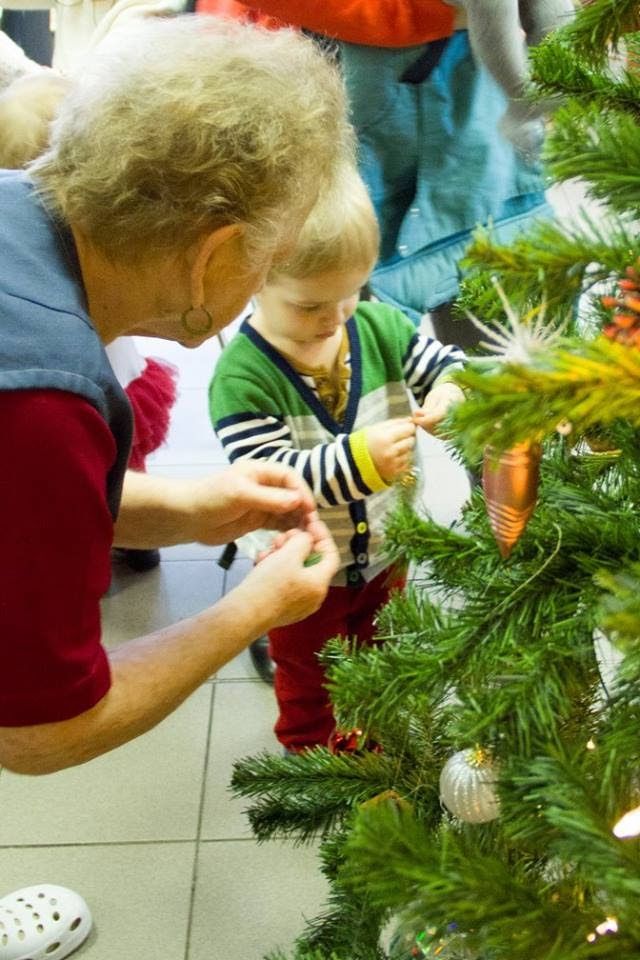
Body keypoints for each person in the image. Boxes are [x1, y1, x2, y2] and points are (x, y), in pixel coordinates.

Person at [209, 164, 465, 752]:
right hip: (297, 570)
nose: (334, 318)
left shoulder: (377, 327)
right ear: (252, 280)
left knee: (382, 651)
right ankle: (314, 765)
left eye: (351, 293)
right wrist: (361, 458)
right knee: (308, 677)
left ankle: (378, 743)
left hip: (383, 550)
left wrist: (450, 390)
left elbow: (445, 363)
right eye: (308, 306)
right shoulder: (241, 378)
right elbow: (274, 479)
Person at [200, 0, 553, 348]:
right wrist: (432, 14)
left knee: (500, 333)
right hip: (337, 109)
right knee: (341, 339)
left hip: (467, 117)